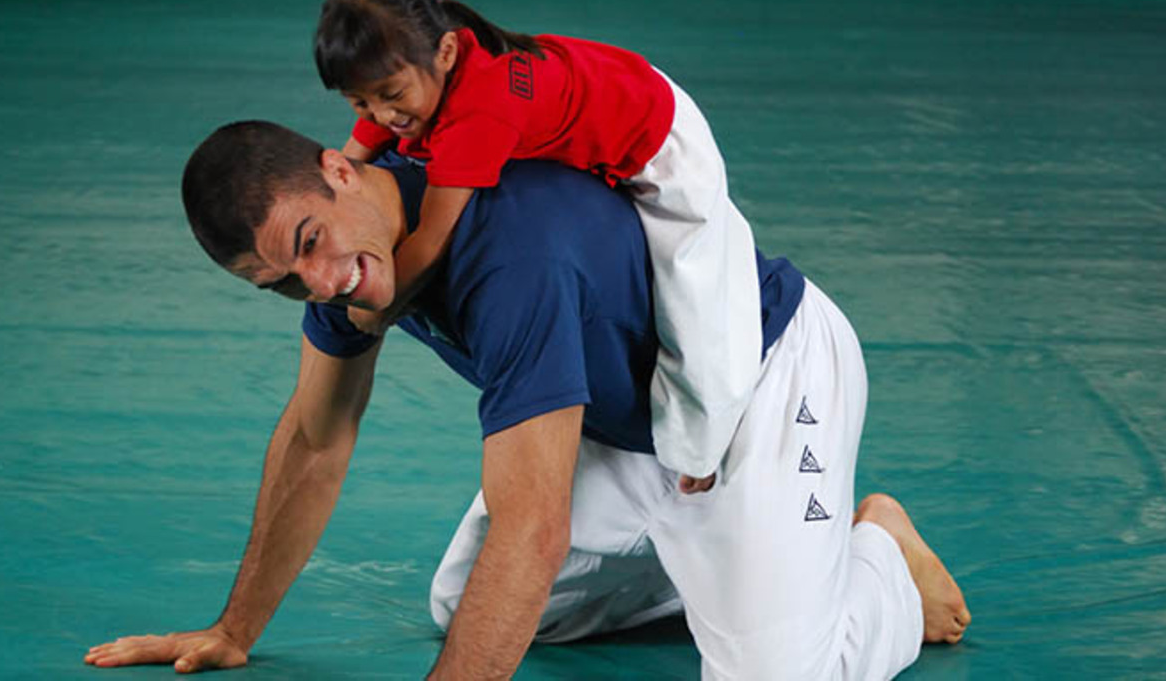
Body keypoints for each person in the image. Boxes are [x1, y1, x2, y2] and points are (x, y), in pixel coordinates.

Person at [83, 121, 971, 679]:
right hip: (639, 421)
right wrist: (235, 628)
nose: (322, 284)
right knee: (474, 604)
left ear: (340, 169)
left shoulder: (510, 256)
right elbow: (316, 441)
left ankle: (876, 560)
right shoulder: (359, 258)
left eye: (310, 242)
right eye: (283, 281)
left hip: (765, 390)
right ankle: (744, 558)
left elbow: (535, 527)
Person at [315, 0, 762, 487]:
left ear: (446, 53)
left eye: (391, 96)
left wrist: (374, 309)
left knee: (693, 297)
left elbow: (432, 239)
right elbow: (355, 160)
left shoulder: (481, 110)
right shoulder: (409, 70)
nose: (380, 114)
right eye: (360, 101)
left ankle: (704, 452)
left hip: (660, 136)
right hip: (606, 91)